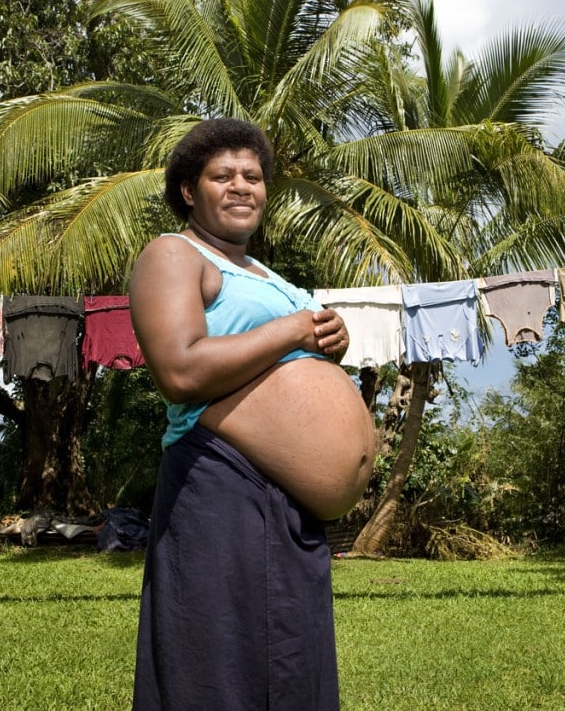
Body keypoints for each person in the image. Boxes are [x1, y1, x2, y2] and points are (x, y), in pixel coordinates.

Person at [130, 118, 376, 710]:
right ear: (190, 191)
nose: (242, 186)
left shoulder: (268, 276)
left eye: (253, 176)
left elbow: (274, 353)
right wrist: (293, 329)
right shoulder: (173, 254)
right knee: (221, 672)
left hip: (286, 506)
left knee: (287, 672)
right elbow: (181, 371)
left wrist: (326, 340)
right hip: (221, 486)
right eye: (223, 176)